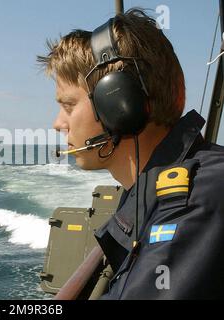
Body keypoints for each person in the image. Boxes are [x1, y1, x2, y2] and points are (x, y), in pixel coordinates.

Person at [38, 9, 224, 299]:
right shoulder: (148, 192)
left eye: (69, 105)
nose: (58, 123)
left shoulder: (196, 201)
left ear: (120, 106)